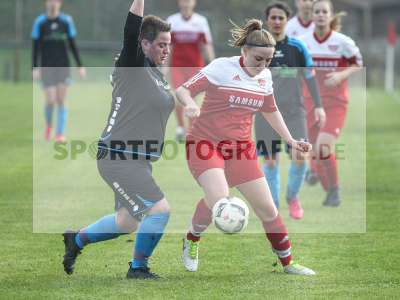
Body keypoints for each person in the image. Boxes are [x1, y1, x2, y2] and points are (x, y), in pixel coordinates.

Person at [176, 18, 315, 275]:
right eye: (258, 59)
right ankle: (192, 239)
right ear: (244, 51)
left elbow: (271, 111)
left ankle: (288, 263)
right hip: (205, 144)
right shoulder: (221, 67)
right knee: (219, 200)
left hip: (241, 149)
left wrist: (291, 140)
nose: (263, 65)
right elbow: (183, 90)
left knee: (268, 209)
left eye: (268, 61)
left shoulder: (264, 78)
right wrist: (189, 104)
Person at [62, 0, 175, 279]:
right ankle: (138, 269)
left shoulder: (154, 74)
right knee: (159, 210)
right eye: (161, 44)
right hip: (119, 157)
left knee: (126, 222)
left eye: (168, 44)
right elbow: (131, 29)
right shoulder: (132, 64)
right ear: (144, 44)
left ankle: (75, 241)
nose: (166, 50)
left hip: (137, 160)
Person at [255, 2, 325, 220]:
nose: (276, 21)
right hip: (265, 113)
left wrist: (319, 107)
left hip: (295, 112)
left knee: (300, 156)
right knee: (270, 161)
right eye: (273, 17)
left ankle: (292, 197)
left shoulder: (297, 47)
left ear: (287, 20)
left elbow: (310, 78)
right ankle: (273, 206)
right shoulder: (257, 48)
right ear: (267, 20)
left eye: (280, 18)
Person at [301, 0, 362, 206]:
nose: (320, 15)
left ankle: (335, 189)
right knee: (315, 151)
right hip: (310, 102)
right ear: (312, 15)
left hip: (335, 103)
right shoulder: (302, 42)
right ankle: (330, 192)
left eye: (324, 11)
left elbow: (358, 63)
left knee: (323, 147)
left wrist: (341, 75)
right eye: (317, 11)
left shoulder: (342, 41)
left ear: (330, 15)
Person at [32, 0, 86, 143]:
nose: (53, 3)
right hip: (46, 67)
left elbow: (73, 45)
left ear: (60, 3)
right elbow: (35, 47)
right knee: (50, 100)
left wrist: (80, 66)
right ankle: (49, 125)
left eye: (55, 1)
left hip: (63, 67)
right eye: (50, 1)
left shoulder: (66, 21)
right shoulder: (40, 22)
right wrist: (35, 67)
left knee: (61, 100)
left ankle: (59, 134)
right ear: (46, 3)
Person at [167, 0, 215, 142]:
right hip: (177, 66)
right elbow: (168, 46)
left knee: (192, 99)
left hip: (195, 67)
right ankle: (181, 127)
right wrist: (164, 66)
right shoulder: (172, 21)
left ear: (194, 3)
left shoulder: (201, 21)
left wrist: (213, 65)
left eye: (189, 1)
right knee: (177, 97)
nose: (186, 3)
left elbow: (207, 45)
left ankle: (191, 132)